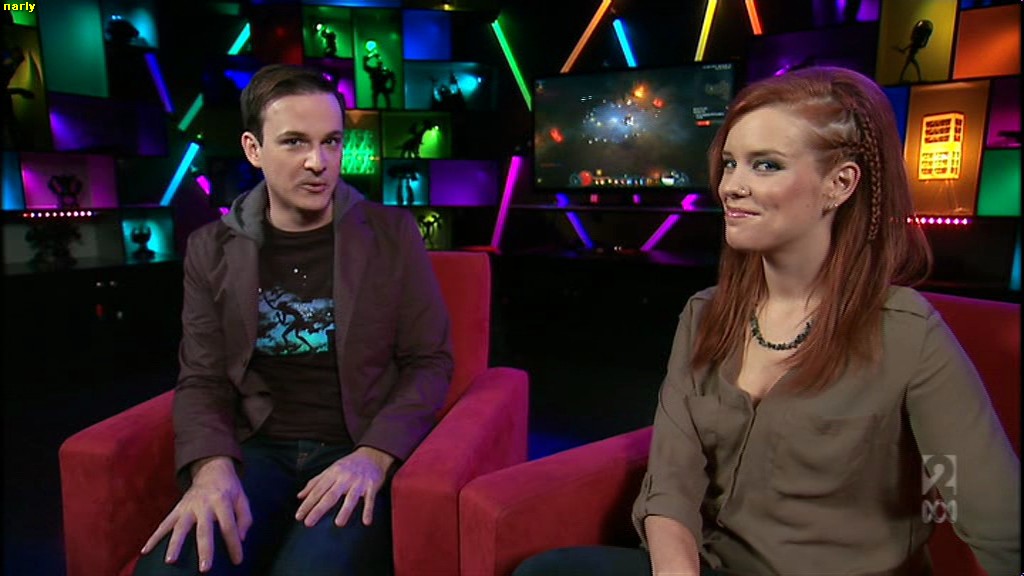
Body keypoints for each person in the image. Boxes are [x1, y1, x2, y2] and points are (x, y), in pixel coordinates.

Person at [513, 67, 1019, 575]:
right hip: (711, 567)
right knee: (548, 571)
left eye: (766, 166)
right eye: (730, 164)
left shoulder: (907, 331)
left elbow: (997, 520)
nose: (731, 186)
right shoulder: (705, 314)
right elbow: (671, 483)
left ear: (839, 184)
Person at [134, 64, 453, 576]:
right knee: (167, 570)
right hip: (257, 449)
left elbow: (429, 361)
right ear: (253, 149)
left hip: (355, 444)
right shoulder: (210, 248)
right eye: (294, 142)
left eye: (331, 142)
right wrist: (211, 468)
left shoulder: (392, 234)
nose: (318, 162)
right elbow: (202, 377)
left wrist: (374, 456)